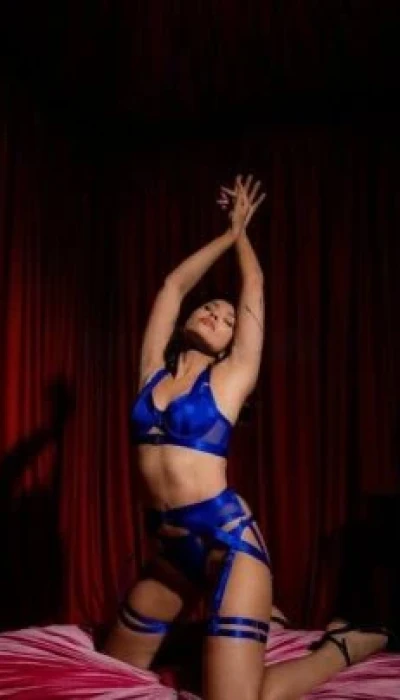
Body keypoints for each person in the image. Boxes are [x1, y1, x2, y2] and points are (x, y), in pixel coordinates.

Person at [103, 175, 393, 700]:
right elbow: (172, 286)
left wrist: (241, 232)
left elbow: (253, 284)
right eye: (209, 308)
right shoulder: (151, 372)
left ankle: (343, 646)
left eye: (227, 318)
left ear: (233, 342)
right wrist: (221, 236)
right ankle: (255, 622)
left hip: (228, 543)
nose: (216, 314)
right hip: (174, 551)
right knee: (113, 669)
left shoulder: (231, 378)